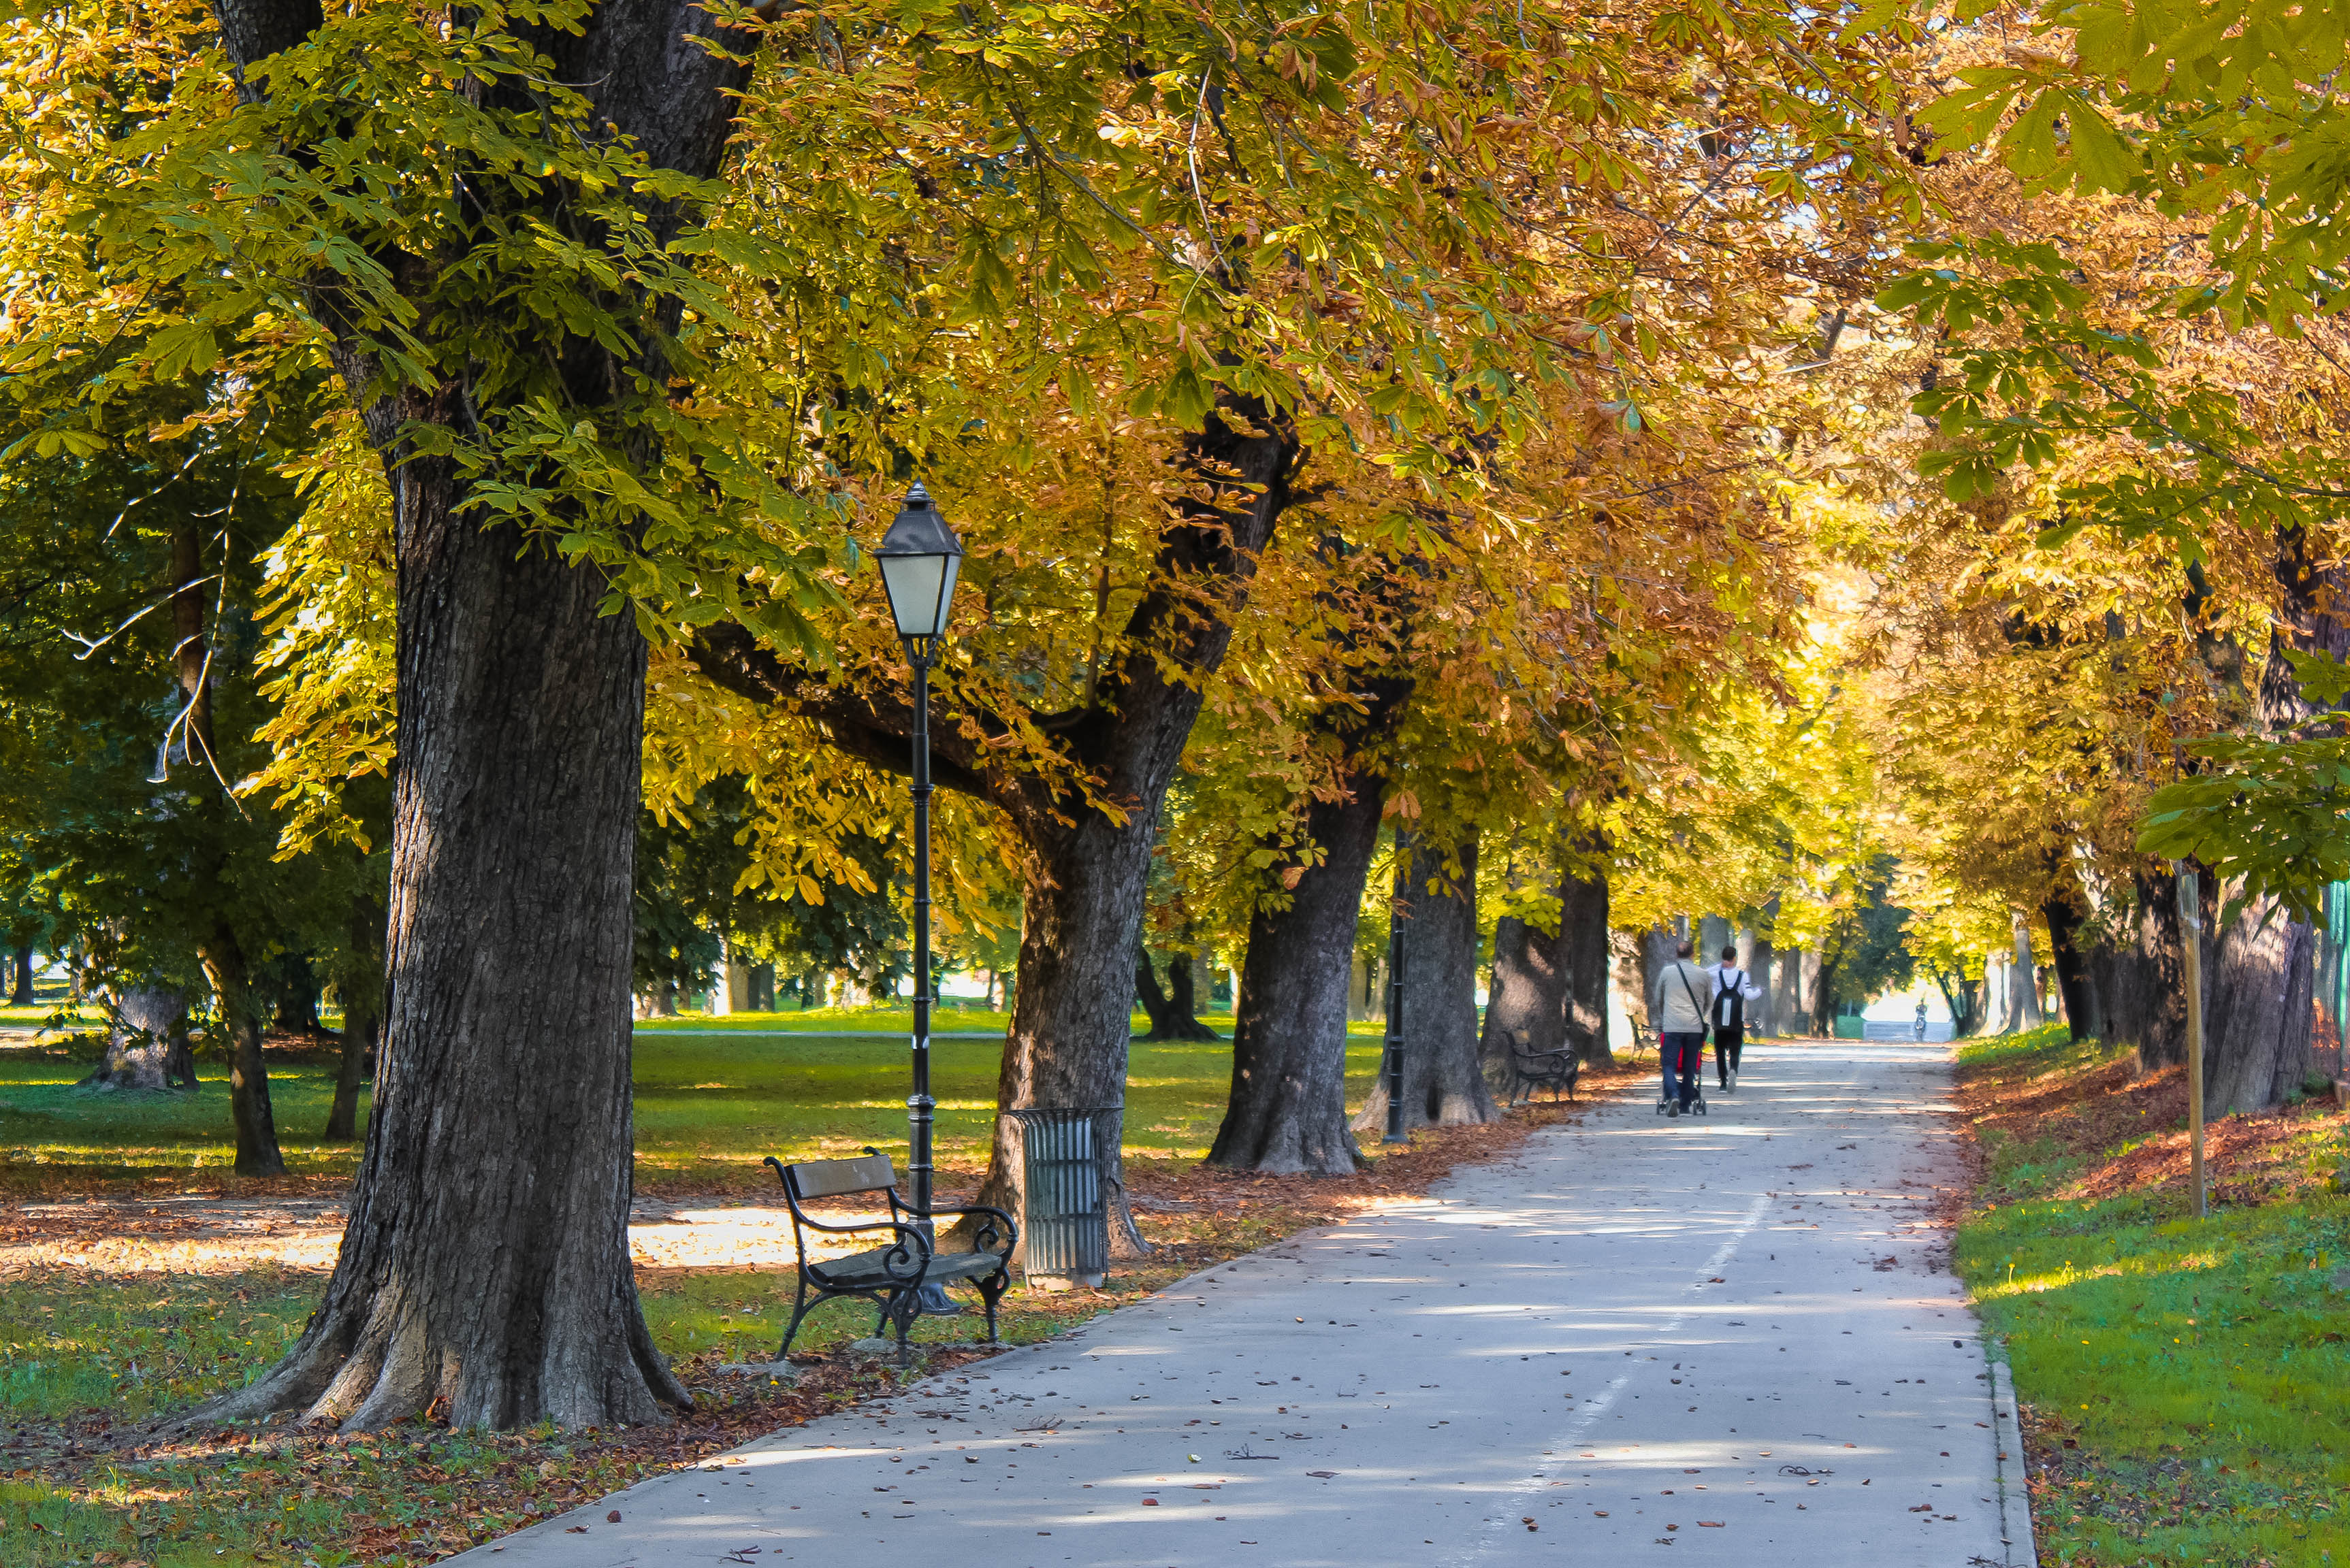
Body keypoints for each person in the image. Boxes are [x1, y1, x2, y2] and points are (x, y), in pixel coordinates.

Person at [1649, 938, 1717, 1117]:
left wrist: (1667, 1014)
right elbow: (1710, 1000)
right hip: (1694, 1027)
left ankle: (1672, 1095)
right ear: (1693, 955)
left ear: (1676, 955)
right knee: (1690, 1066)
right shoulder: (1703, 974)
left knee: (1669, 1064)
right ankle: (1686, 1104)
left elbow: (1659, 998)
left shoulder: (1667, 972)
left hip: (1672, 1025)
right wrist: (1700, 1013)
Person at [1709, 944, 1760, 1091]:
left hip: (1719, 1022)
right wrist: (1759, 991)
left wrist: (1721, 965)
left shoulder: (1715, 974)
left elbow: (1704, 973)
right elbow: (1749, 995)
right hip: (1736, 1021)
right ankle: (1733, 1070)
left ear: (1723, 958)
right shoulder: (1742, 975)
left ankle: (1723, 1083)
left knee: (1719, 1052)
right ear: (1735, 958)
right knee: (1736, 1050)